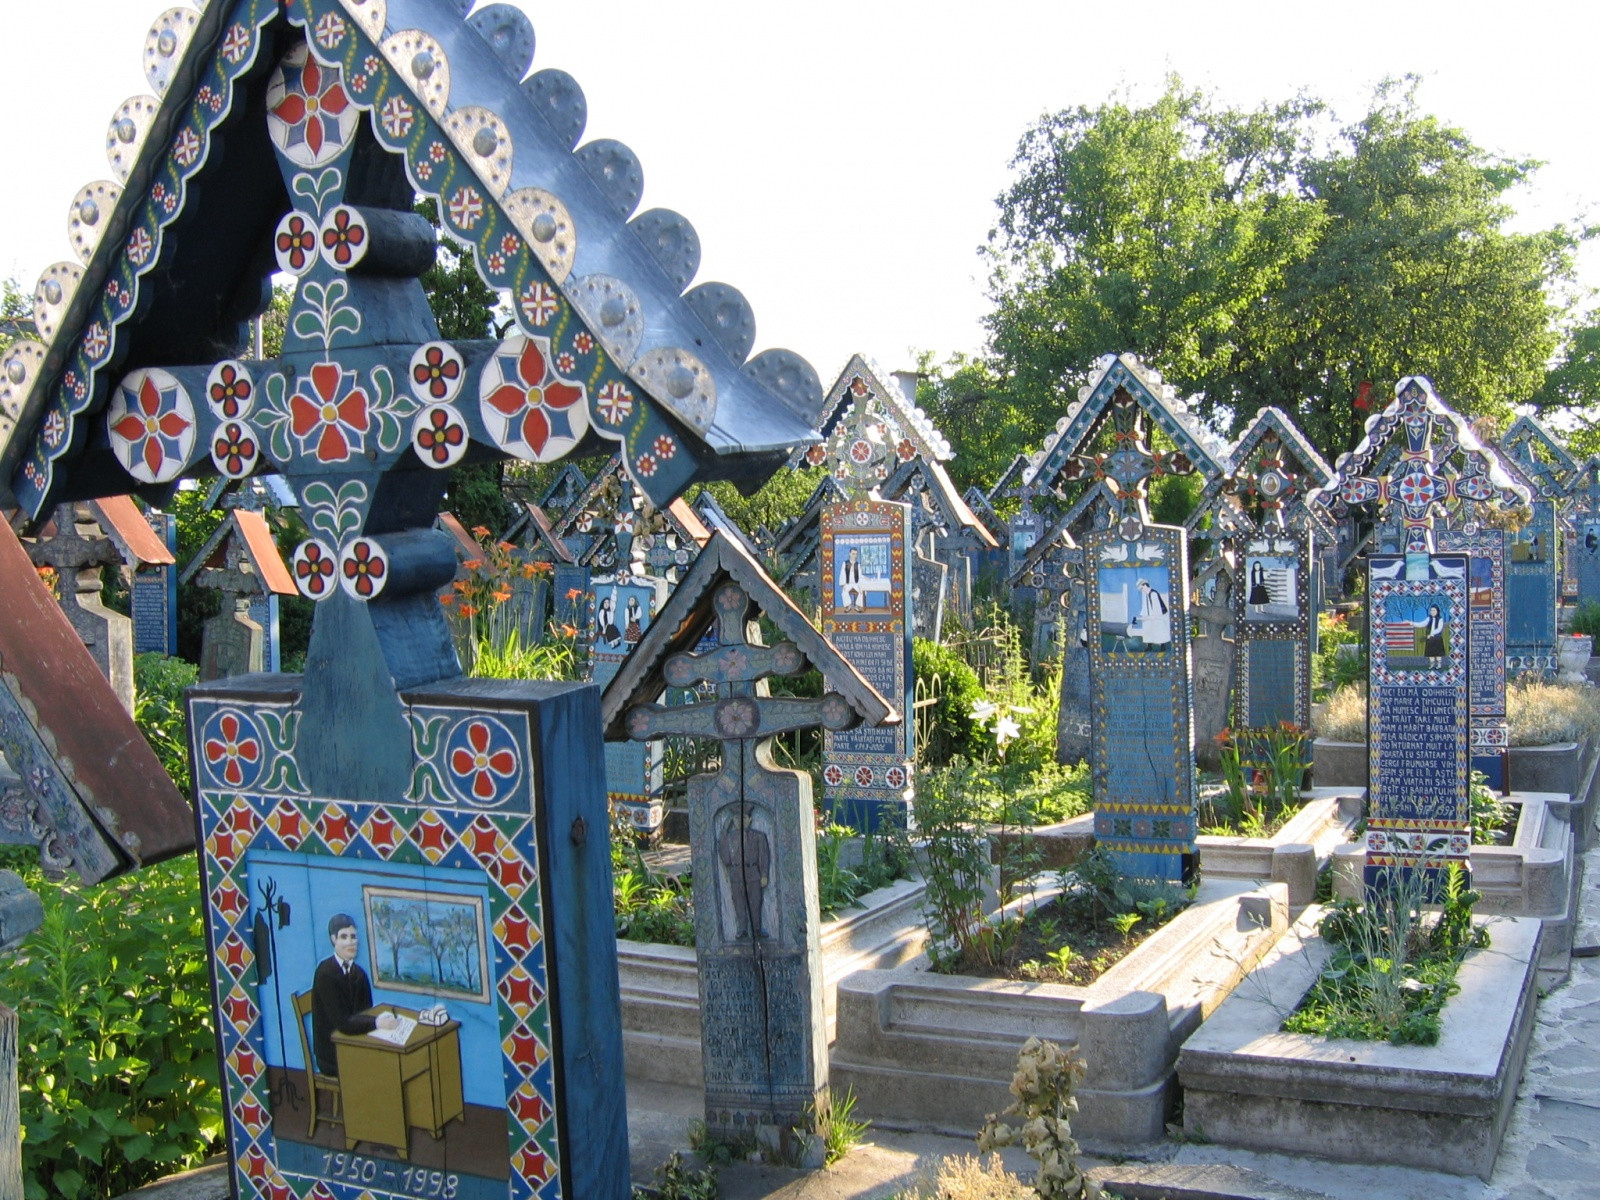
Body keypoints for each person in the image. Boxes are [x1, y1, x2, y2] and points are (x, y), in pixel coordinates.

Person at [311, 914, 396, 1075]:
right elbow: (342, 1023)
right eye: (344, 937)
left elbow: (365, 1012)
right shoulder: (325, 974)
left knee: (387, 1063)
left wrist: (378, 1021)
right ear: (333, 939)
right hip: (331, 1053)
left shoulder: (359, 974)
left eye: (353, 937)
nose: (350, 942)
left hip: (354, 1042)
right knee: (376, 1070)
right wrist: (377, 1023)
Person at [718, 806, 771, 939]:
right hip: (736, 874)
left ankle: (757, 929)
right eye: (736, 818)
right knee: (739, 903)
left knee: (755, 902)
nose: (740, 821)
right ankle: (742, 929)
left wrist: (764, 875)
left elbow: (763, 856)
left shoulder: (758, 836)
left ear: (749, 820)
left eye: (743, 818)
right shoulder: (729, 837)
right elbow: (725, 857)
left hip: (753, 873)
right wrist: (725, 829)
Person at [1129, 578, 1171, 647]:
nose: (1142, 590)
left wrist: (1138, 618)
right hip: (1151, 616)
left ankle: (1162, 646)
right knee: (1147, 628)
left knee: (1159, 629)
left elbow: (1156, 612)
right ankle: (1149, 646)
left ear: (1144, 585)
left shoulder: (1153, 594)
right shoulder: (1146, 594)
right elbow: (1146, 608)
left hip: (1158, 616)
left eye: (1142, 588)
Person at [838, 546, 863, 611]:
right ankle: (848, 606)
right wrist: (844, 585)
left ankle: (857, 606)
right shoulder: (845, 563)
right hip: (848, 583)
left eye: (856, 554)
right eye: (853, 554)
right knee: (844, 592)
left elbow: (860, 576)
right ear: (850, 554)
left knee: (862, 592)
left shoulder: (858, 565)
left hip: (856, 583)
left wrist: (860, 586)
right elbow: (842, 574)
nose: (854, 555)